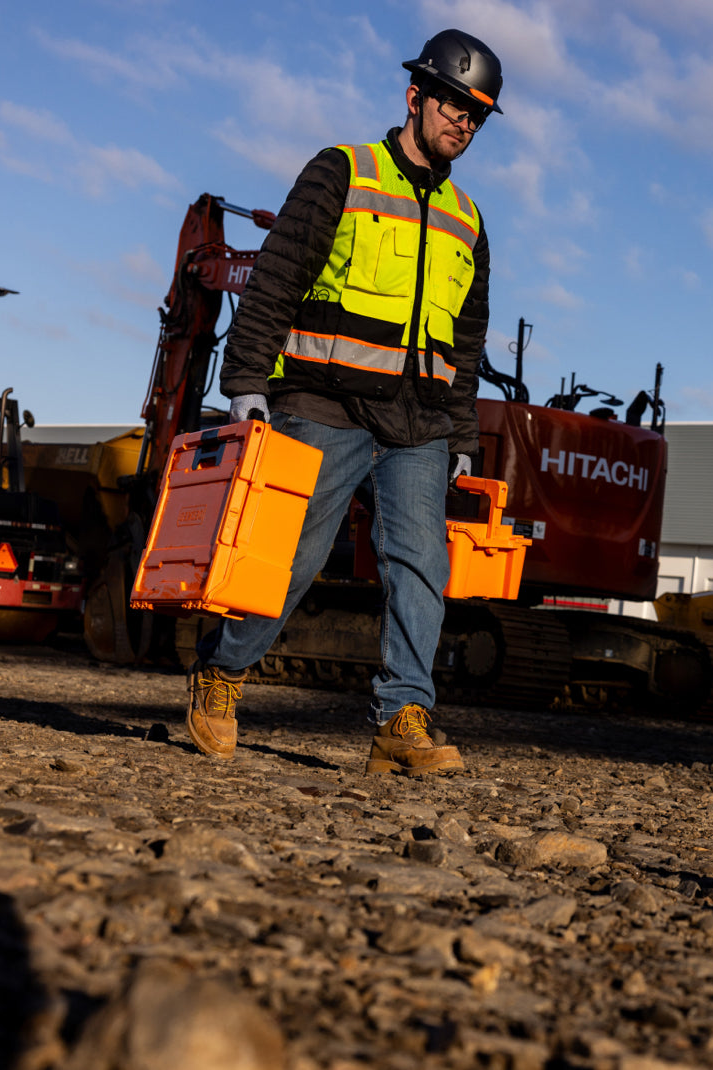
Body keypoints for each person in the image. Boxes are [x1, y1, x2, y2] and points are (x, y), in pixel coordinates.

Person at [187, 28, 503, 776]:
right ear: (416, 97)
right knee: (287, 560)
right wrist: (246, 386)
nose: (462, 120)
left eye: (477, 113)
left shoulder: (469, 220)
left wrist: (463, 432)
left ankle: (401, 719)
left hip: (420, 423)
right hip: (323, 402)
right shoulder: (343, 172)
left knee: (421, 563)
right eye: (453, 103)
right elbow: (276, 279)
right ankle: (221, 674)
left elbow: (466, 338)